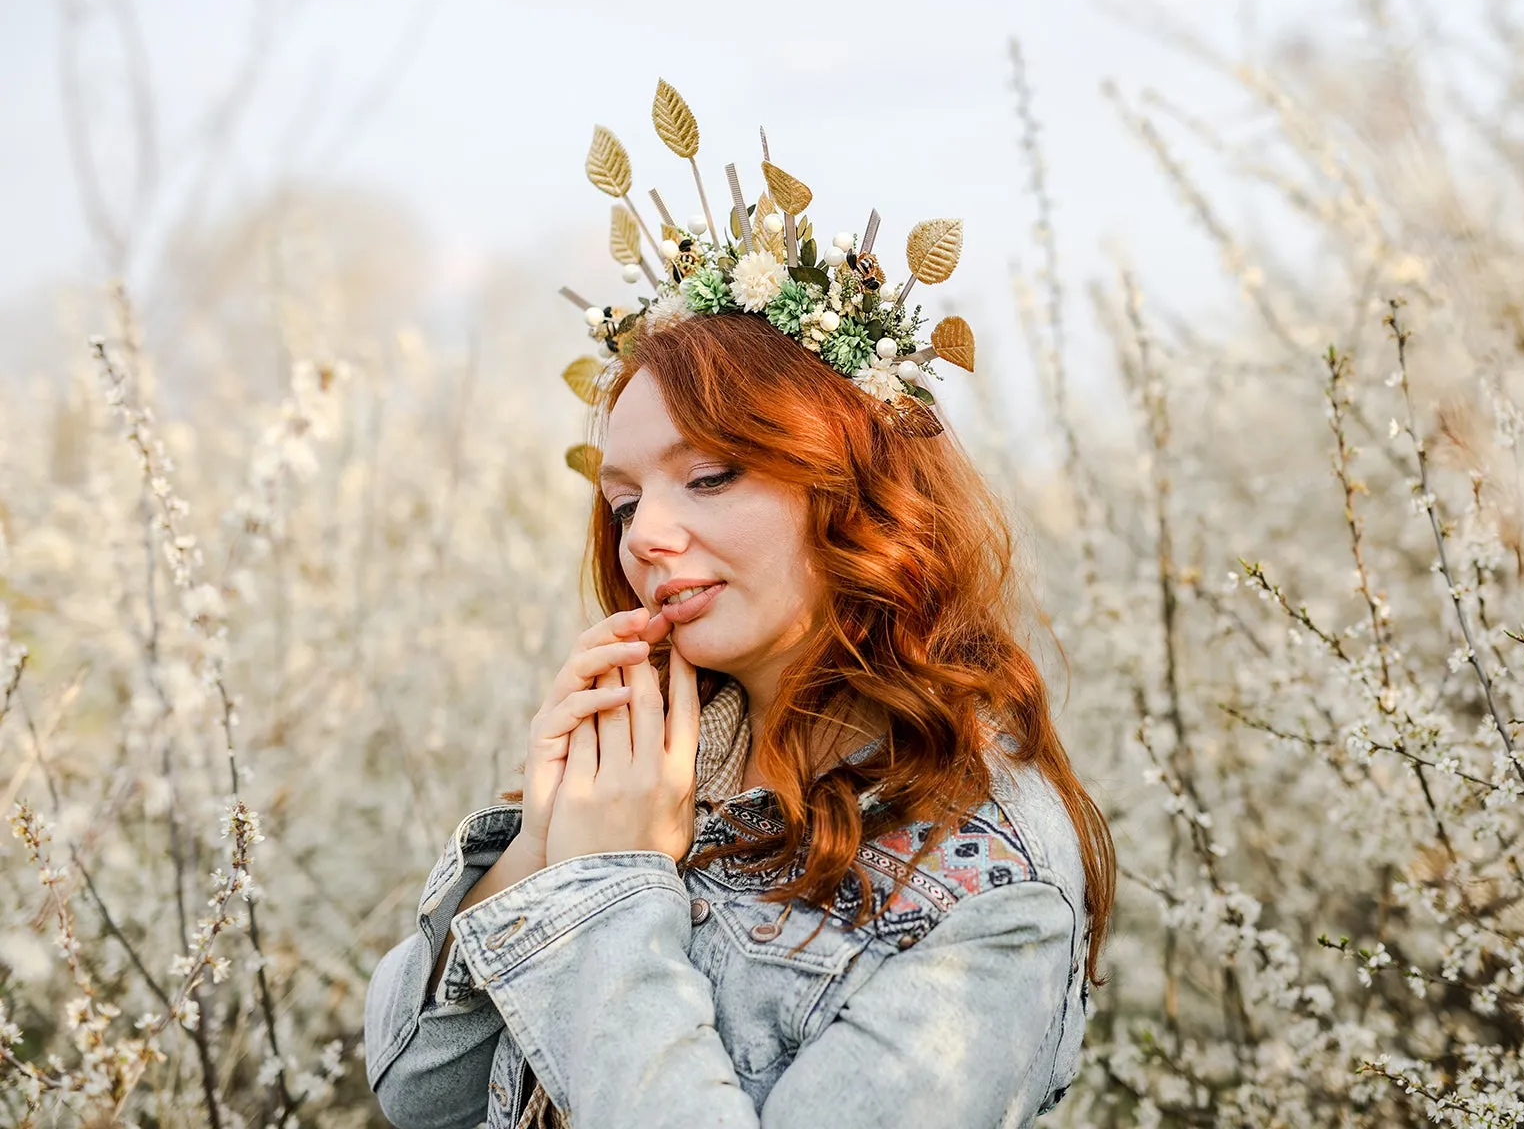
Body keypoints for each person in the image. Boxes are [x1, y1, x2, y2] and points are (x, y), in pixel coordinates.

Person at [362, 84, 1116, 1128]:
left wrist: (607, 890)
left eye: (709, 477)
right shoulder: (662, 764)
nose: (646, 538)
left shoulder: (986, 885)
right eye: (623, 502)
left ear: (854, 488)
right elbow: (417, 1091)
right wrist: (543, 845)